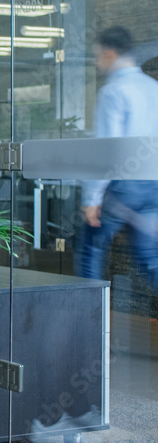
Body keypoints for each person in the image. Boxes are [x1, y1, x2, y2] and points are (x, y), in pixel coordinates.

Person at [76, 26, 158, 292]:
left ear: (110, 54)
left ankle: (86, 319)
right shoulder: (153, 88)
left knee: (90, 249)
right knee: (149, 259)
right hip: (152, 184)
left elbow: (107, 151)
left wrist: (92, 200)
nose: (95, 61)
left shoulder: (112, 91)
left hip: (123, 186)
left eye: (97, 55)